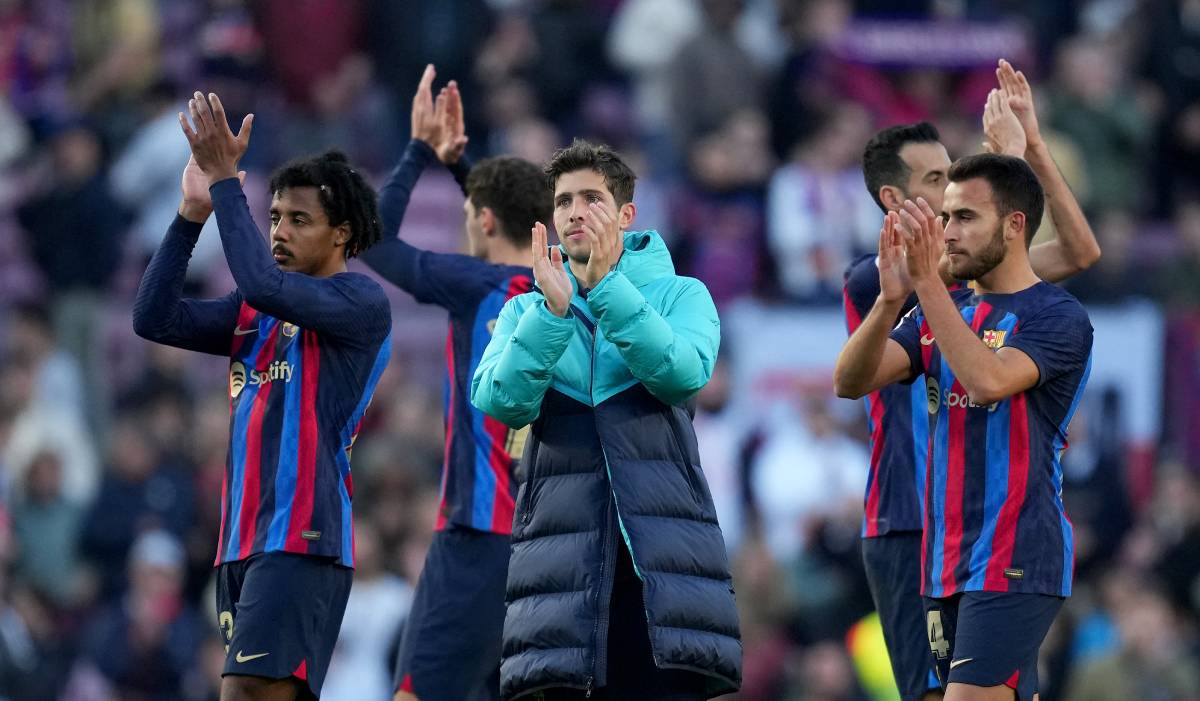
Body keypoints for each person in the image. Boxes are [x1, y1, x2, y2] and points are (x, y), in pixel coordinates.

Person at [842, 60, 1100, 701]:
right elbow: (851, 381)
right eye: (940, 195)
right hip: (928, 540)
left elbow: (987, 378)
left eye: (961, 213)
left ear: (1008, 225)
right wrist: (893, 298)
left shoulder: (1052, 316)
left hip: (1010, 550)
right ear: (896, 202)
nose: (946, 225)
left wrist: (1026, 154)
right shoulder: (899, 282)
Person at [132, 91, 391, 701]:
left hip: (302, 536)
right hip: (239, 543)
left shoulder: (360, 304)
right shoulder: (254, 315)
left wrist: (225, 181)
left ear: (342, 235)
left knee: (243, 692)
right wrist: (191, 214)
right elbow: (153, 318)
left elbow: (259, 279)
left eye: (299, 220)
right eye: (274, 217)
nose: (279, 230)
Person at [471, 140, 741, 700]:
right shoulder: (528, 307)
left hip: (660, 569)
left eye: (591, 198)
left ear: (625, 214)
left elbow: (682, 375)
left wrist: (606, 287)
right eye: (564, 200)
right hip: (561, 571)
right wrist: (553, 313)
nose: (573, 212)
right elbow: (499, 400)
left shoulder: (682, 294)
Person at [357, 65, 548, 701]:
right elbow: (508, 223)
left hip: (476, 537)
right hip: (548, 545)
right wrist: (467, 169)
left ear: (485, 221)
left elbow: (374, 240)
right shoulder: (573, 298)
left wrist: (419, 150)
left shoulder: (478, 287)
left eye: (472, 214)